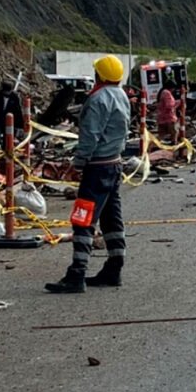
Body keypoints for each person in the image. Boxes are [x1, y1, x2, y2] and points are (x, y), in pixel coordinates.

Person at [45, 54, 131, 294]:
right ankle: (114, 267)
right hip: (114, 164)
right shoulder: (122, 96)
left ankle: (77, 273)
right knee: (112, 218)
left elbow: (90, 135)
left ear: (99, 75)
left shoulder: (97, 99)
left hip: (97, 167)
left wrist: (79, 163)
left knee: (83, 219)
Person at [0, 80, 24, 149]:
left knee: (7, 140)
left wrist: (19, 125)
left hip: (9, 123)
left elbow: (18, 111)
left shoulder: (15, 98)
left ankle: (5, 153)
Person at [155, 79, 181, 144]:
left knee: (162, 134)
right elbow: (169, 105)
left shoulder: (162, 92)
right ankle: (174, 145)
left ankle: (152, 145)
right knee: (174, 132)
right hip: (168, 117)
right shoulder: (166, 93)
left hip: (162, 117)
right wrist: (178, 102)